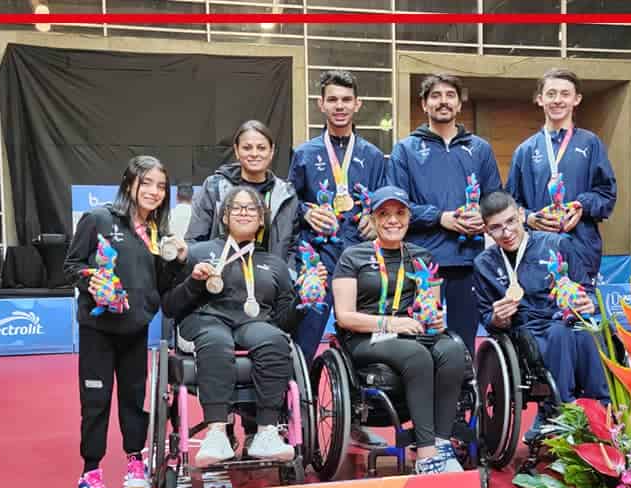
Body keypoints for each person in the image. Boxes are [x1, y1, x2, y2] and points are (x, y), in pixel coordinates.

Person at [162, 186, 323, 467]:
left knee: (275, 339)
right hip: (206, 320)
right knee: (216, 341)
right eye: (236, 207)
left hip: (254, 324)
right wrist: (194, 283)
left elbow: (283, 321)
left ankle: (267, 432)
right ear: (224, 216)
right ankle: (216, 433)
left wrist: (303, 301)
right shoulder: (199, 252)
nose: (244, 213)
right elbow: (171, 306)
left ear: (262, 219)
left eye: (251, 208)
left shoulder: (275, 265)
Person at [64, 155, 187, 488]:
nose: (154, 192)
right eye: (146, 183)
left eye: (161, 186)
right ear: (129, 183)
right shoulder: (99, 219)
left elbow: (161, 285)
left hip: (135, 330)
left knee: (133, 400)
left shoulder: (156, 233)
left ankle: (135, 464)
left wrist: (176, 262)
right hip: (98, 330)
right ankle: (90, 474)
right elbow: (70, 266)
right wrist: (94, 280)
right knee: (96, 401)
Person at [332, 186, 470, 475]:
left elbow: (431, 307)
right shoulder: (353, 256)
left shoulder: (422, 256)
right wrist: (390, 324)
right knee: (416, 354)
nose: (392, 220)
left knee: (453, 349)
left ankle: (443, 445)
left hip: (412, 331)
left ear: (409, 217)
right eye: (384, 214)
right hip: (365, 335)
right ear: (372, 218)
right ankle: (426, 453)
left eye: (399, 213)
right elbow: (344, 316)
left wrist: (436, 321)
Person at [473, 191, 609, 442]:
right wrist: (498, 317)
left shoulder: (557, 244)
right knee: (562, 332)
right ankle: (560, 411)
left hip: (565, 317)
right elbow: (486, 318)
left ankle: (602, 409)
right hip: (526, 328)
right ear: (486, 230)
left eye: (511, 221)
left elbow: (587, 291)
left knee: (590, 331)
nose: (506, 232)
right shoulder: (484, 264)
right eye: (496, 227)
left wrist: (587, 302)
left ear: (522, 216)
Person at [387, 73, 501, 357]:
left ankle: (466, 394)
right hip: (422, 261)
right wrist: (440, 218)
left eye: (450, 95)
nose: (443, 102)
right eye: (435, 96)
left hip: (468, 260)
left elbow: (495, 198)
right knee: (420, 339)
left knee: (464, 341)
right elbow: (395, 207)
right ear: (424, 104)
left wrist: (482, 218)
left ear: (459, 104)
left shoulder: (480, 148)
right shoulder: (405, 149)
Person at [289, 69, 387, 364]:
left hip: (361, 259)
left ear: (358, 104)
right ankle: (297, 404)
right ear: (321, 104)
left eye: (346, 99)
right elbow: (287, 203)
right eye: (332, 99)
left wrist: (376, 218)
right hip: (317, 261)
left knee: (367, 341)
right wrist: (306, 212)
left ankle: (365, 402)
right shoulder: (304, 153)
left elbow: (387, 204)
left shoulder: (373, 155)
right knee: (305, 339)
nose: (339, 106)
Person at [506, 68, 617, 290]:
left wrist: (581, 206)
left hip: (581, 246)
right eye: (551, 94)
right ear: (539, 99)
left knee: (579, 315)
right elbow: (510, 203)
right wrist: (528, 218)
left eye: (565, 94)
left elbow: (607, 194)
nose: (558, 100)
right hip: (537, 248)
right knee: (538, 316)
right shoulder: (525, 150)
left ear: (577, 99)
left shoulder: (590, 143)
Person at [187, 120, 301, 271]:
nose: (254, 154)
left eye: (261, 148)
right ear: (236, 150)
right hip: (221, 281)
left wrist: (287, 277)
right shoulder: (215, 187)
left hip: (270, 283)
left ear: (272, 151)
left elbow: (293, 247)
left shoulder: (286, 195)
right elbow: (194, 239)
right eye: (247, 148)